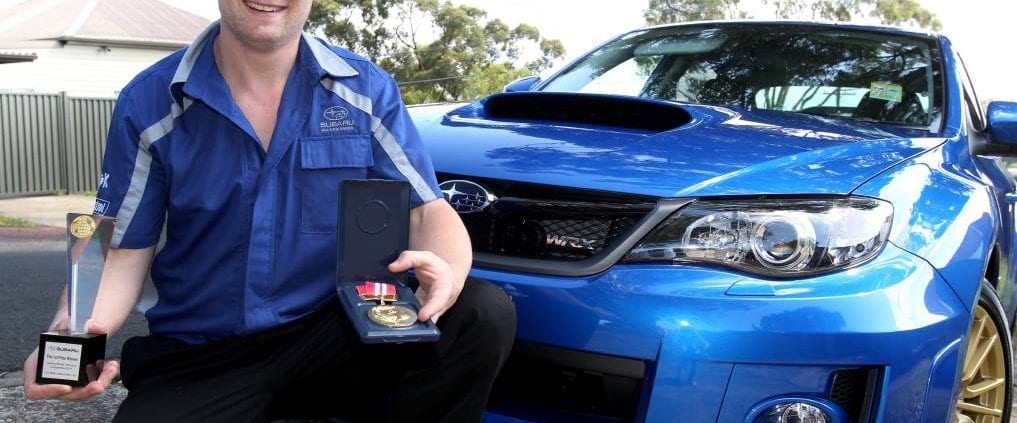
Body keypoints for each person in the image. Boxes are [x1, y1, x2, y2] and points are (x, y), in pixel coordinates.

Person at [21, 1, 516, 421]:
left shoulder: (365, 91)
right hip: (203, 355)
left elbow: (425, 209)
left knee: (479, 312)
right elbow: (118, 249)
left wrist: (447, 271)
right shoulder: (149, 102)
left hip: (335, 336)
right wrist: (66, 343)